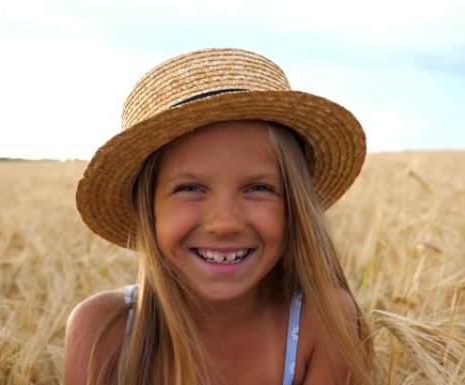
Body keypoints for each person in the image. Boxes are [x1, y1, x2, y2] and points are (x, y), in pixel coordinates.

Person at [64, 48, 373, 385]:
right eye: (190, 188)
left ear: (294, 205)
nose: (224, 223)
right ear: (147, 210)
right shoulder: (102, 331)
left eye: (258, 188)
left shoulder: (326, 321)